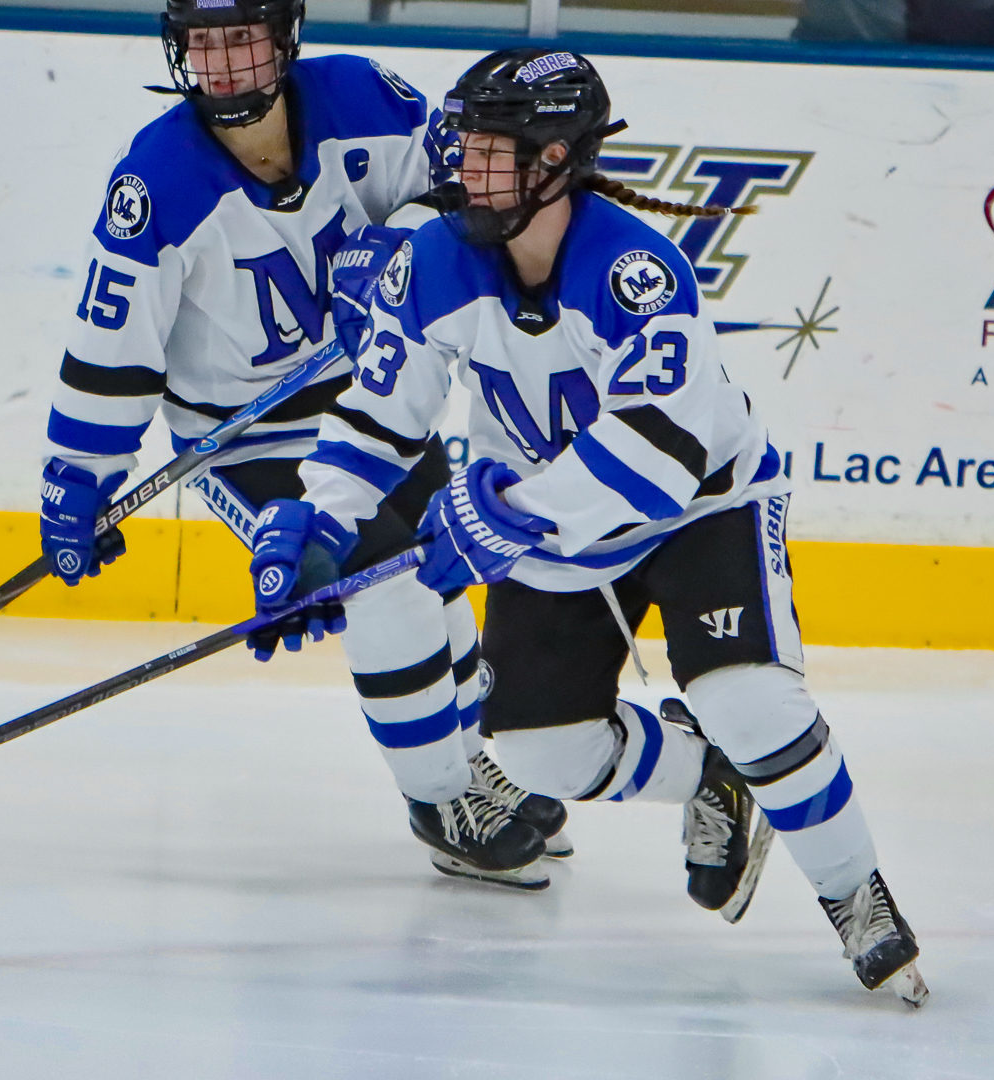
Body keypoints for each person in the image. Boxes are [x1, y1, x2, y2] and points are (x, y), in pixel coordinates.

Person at [250, 46, 928, 1004]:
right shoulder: (435, 262)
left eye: (492, 153)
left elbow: (659, 453)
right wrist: (314, 526)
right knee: (537, 751)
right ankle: (708, 780)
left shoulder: (635, 271)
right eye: (466, 149)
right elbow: (380, 416)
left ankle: (856, 894)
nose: (463, 170)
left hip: (702, 509)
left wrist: (506, 520)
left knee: (748, 698)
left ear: (556, 163)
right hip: (551, 532)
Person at [37, 0, 572, 888]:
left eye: (241, 38)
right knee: (388, 586)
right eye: (203, 45)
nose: (225, 66)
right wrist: (79, 478)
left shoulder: (362, 96)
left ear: (284, 37)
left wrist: (398, 255)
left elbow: (469, 190)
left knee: (440, 574)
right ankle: (442, 801)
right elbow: (111, 345)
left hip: (376, 401)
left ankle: (478, 759)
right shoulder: (156, 180)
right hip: (243, 441)